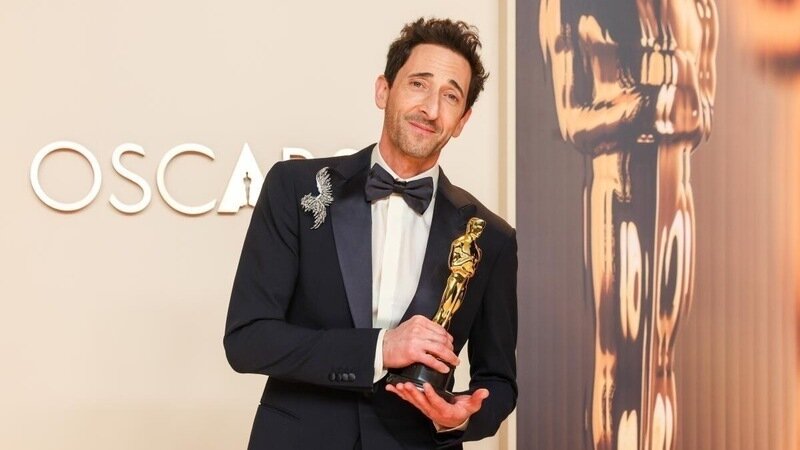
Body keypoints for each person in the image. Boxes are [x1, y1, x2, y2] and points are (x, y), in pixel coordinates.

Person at [224, 17, 517, 450]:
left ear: (462, 120)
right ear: (384, 90)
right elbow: (248, 339)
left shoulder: (491, 237)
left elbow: (499, 382)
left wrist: (459, 419)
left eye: (450, 96)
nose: (431, 109)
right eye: (418, 84)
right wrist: (381, 349)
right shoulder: (295, 187)